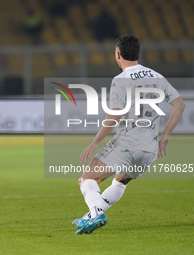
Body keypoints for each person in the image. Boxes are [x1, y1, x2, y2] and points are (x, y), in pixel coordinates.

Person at [72, 35, 185, 235]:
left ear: (117, 54)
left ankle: (96, 212)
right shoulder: (157, 76)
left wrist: (94, 142)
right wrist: (166, 135)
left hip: (127, 144)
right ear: (138, 54)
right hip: (149, 149)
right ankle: (90, 217)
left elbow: (115, 114)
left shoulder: (121, 80)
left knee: (87, 179)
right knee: (120, 182)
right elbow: (179, 104)